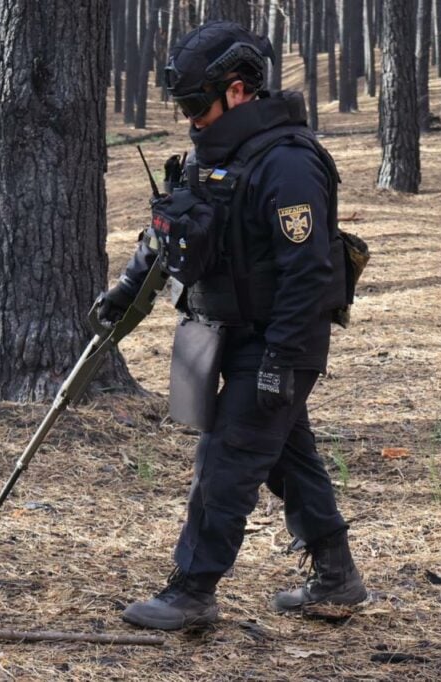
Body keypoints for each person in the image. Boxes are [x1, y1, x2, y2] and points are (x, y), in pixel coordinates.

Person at [96, 21, 366, 631]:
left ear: (239, 91)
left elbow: (308, 273)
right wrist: (123, 292)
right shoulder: (210, 155)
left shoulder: (289, 164)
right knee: (285, 458)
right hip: (226, 333)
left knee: (227, 461)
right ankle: (336, 576)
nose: (190, 118)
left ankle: (192, 591)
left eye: (198, 104)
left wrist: (280, 359)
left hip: (279, 342)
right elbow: (169, 232)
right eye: (184, 105)